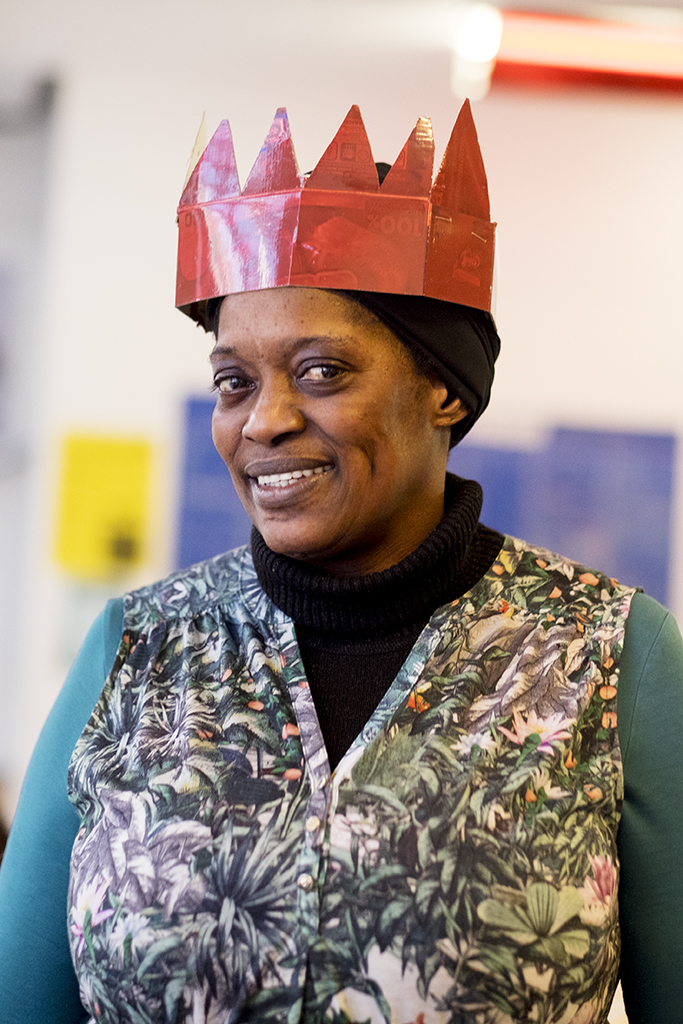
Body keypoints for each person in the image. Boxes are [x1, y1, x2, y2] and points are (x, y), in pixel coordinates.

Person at [0, 102, 682, 1024]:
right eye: (233, 381)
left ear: (444, 388)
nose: (264, 419)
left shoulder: (606, 656)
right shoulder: (137, 651)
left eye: (321, 371)